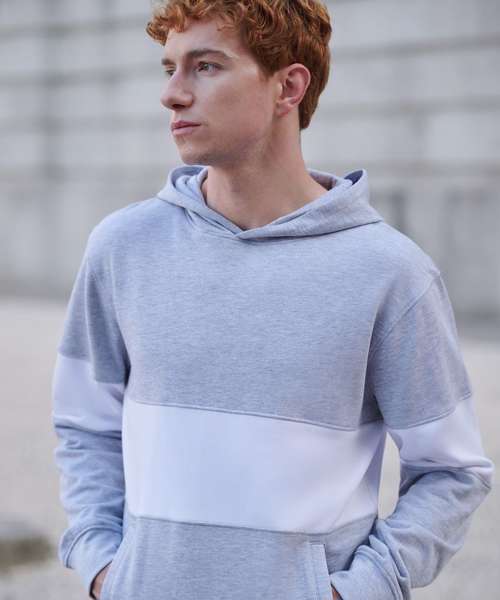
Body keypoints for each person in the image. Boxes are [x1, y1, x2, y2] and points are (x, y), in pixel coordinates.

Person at [51, 1, 495, 599]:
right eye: (170, 68)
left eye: (206, 66)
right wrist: (104, 566)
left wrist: (355, 589)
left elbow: (451, 471)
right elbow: (85, 426)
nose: (172, 95)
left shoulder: (390, 273)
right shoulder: (122, 248)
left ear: (288, 86)